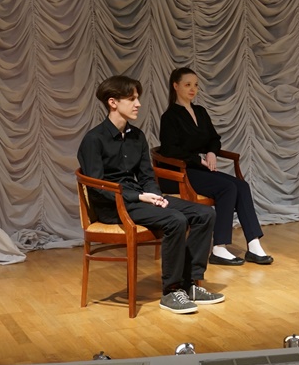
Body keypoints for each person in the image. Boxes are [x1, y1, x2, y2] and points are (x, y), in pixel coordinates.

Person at [77, 75, 223, 315]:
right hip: (114, 205)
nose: (138, 104)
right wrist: (138, 197)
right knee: (175, 220)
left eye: (138, 98)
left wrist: (155, 196)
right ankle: (171, 291)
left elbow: (146, 176)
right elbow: (98, 186)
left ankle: (190, 283)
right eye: (131, 99)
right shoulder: (94, 139)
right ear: (113, 102)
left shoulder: (137, 136)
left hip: (140, 199)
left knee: (204, 213)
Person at [159, 67, 273, 267]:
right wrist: (198, 160)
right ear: (175, 86)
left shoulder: (200, 112)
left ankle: (254, 244)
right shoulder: (169, 117)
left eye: (195, 85)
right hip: (180, 173)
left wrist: (211, 152)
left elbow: (214, 139)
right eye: (187, 85)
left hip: (198, 170)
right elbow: (170, 150)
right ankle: (219, 247)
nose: (193, 89)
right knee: (227, 188)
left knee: (241, 186)